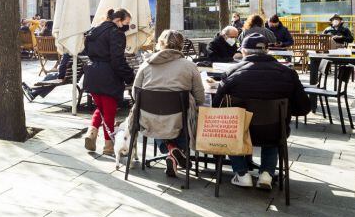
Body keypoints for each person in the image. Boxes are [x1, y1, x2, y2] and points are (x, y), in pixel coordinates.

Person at [212, 33, 310, 189]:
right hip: (276, 130)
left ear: (243, 51)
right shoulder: (288, 73)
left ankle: (242, 174)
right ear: (267, 51)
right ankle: (266, 174)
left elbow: (216, 108)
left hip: (241, 131)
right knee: (274, 130)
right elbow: (303, 108)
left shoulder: (231, 73)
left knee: (230, 130)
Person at [129, 30, 206, 177]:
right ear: (181, 45)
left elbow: (135, 94)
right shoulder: (189, 66)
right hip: (179, 119)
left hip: (148, 119)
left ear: (160, 44)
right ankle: (176, 151)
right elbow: (200, 98)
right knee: (187, 117)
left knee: (159, 117)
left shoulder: (146, 64)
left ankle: (170, 150)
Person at [80, 8, 135, 155]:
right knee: (109, 112)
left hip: (92, 74)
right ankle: (108, 145)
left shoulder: (93, 31)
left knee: (102, 108)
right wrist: (130, 76)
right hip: (108, 75)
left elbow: (87, 52)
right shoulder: (116, 33)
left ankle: (91, 133)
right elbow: (118, 60)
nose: (126, 26)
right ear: (118, 20)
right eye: (126, 22)